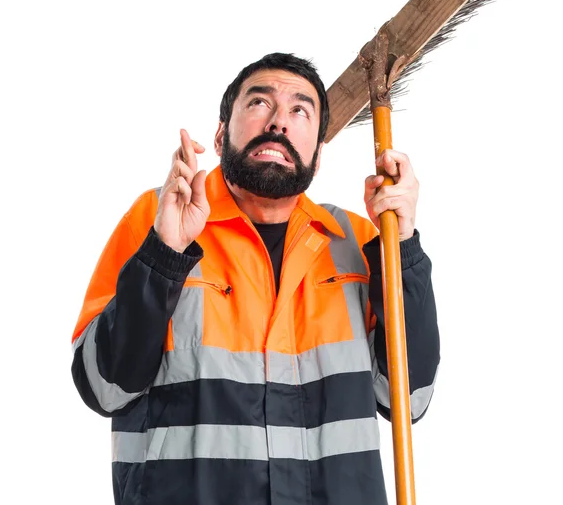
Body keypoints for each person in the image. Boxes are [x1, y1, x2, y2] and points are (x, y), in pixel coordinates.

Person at [71, 52, 440, 505]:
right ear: (221, 132)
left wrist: (400, 245)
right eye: (260, 103)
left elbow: (409, 398)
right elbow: (102, 387)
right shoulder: (160, 220)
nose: (279, 122)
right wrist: (164, 255)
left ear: (318, 157)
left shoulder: (359, 241)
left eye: (300, 110)